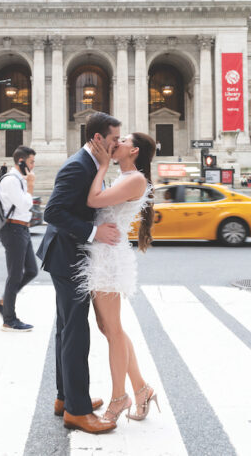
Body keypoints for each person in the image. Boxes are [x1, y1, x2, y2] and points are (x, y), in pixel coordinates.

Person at [37, 112, 121, 435]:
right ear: (98, 139)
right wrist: (93, 233)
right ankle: (77, 410)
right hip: (67, 256)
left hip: (68, 255)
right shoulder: (77, 166)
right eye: (114, 140)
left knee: (67, 329)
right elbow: (52, 212)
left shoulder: (89, 164)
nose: (116, 145)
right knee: (76, 332)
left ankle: (65, 398)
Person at [77, 132, 159, 425]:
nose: (117, 142)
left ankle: (119, 396)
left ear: (134, 150)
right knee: (109, 327)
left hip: (109, 258)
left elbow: (94, 200)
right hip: (103, 252)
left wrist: (100, 166)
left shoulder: (135, 179)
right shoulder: (126, 176)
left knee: (112, 330)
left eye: (122, 140)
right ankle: (142, 389)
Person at [0, 147, 39, 332]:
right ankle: (9, 319)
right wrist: (31, 184)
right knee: (15, 275)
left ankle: (4, 303)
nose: (33, 166)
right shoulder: (11, 180)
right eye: (31, 162)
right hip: (13, 229)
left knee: (32, 270)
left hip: (22, 229)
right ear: (21, 161)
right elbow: (25, 204)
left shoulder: (19, 180)